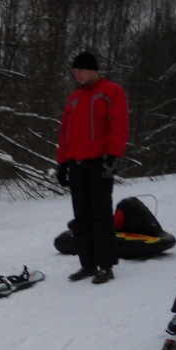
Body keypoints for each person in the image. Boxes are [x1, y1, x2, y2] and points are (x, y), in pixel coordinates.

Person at [56, 51, 129, 284]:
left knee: (101, 215)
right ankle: (87, 264)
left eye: (80, 70)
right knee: (81, 216)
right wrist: (62, 163)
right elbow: (65, 132)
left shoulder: (111, 92)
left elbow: (119, 126)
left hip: (99, 162)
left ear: (92, 70)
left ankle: (106, 265)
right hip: (76, 164)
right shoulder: (74, 98)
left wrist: (112, 156)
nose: (76, 75)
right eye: (74, 71)